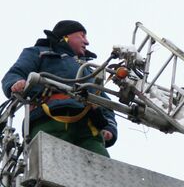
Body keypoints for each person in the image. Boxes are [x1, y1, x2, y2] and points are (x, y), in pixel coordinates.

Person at [2, 20, 118, 157]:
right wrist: (16, 83)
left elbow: (104, 101)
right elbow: (14, 74)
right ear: (66, 36)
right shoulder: (38, 52)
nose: (87, 42)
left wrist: (109, 127)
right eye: (82, 36)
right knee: (50, 165)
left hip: (88, 127)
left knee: (101, 167)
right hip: (49, 120)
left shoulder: (88, 70)